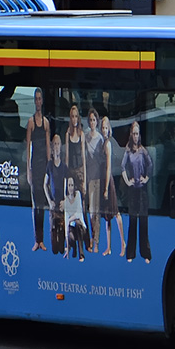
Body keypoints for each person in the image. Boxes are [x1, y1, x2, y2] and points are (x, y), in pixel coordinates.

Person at [121, 121, 153, 263]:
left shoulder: (143, 150)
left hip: (143, 191)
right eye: (133, 133)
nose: (135, 136)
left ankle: (145, 253)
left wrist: (146, 178)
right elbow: (122, 167)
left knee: (143, 222)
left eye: (137, 133)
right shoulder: (127, 151)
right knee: (132, 222)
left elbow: (150, 164)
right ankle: (130, 254)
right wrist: (128, 181)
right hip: (132, 191)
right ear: (131, 135)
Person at [25, 88, 51, 252]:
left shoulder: (47, 123)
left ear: (42, 101)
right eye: (36, 99)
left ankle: (42, 240)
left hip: (44, 166)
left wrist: (49, 169)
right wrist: (28, 170)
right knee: (36, 204)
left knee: (43, 202)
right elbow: (28, 147)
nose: (38, 102)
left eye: (40, 99)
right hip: (35, 165)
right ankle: (37, 239)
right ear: (34, 101)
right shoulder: (31, 122)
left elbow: (48, 147)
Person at [99, 116, 126, 256]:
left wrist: (105, 189)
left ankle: (122, 242)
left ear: (109, 129)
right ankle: (109, 247)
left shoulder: (108, 144)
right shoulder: (103, 143)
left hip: (108, 181)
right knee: (107, 215)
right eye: (102, 128)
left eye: (106, 128)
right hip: (104, 179)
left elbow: (108, 166)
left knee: (115, 212)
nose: (104, 130)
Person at [84, 107, 105, 253]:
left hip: (98, 178)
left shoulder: (100, 138)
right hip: (89, 178)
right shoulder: (85, 137)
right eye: (90, 120)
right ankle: (91, 237)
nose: (92, 122)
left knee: (96, 211)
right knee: (90, 211)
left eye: (94, 120)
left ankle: (96, 240)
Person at [44, 134, 68, 255]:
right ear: (52, 148)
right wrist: (49, 201)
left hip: (62, 204)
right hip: (53, 204)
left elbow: (68, 186)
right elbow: (45, 185)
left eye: (59, 144)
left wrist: (65, 201)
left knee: (63, 233)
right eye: (55, 144)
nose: (57, 147)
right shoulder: (49, 165)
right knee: (54, 247)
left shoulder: (64, 167)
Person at [63, 177, 91, 262]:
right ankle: (73, 248)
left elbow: (78, 214)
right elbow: (66, 220)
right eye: (69, 185)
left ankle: (81, 254)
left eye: (72, 185)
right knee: (69, 235)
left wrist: (70, 220)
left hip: (81, 228)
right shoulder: (66, 201)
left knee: (78, 223)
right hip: (72, 228)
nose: (70, 187)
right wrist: (67, 245)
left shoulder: (78, 194)